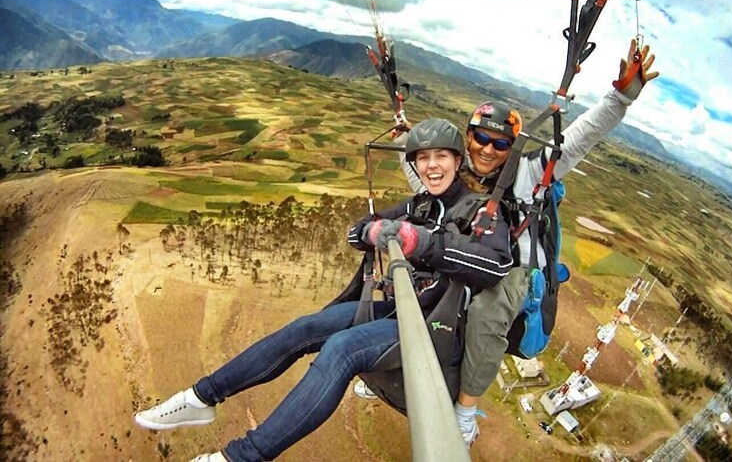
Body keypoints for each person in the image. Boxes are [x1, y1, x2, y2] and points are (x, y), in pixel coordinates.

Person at [133, 118, 513, 462]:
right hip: (401, 310)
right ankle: (201, 397)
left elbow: (495, 265)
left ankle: (242, 458)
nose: (431, 166)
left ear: (457, 159)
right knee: (305, 328)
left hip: (434, 330)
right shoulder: (421, 205)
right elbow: (357, 231)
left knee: (342, 349)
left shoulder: (482, 212)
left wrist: (424, 243)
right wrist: (371, 231)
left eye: (441, 157)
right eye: (423, 157)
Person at [360, 39, 659, 445]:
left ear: (512, 147)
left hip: (514, 266)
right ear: (467, 139)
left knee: (485, 312)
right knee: (411, 280)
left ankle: (465, 413)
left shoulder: (531, 172)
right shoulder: (460, 172)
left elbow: (578, 139)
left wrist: (619, 99)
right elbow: (423, 184)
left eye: (501, 143)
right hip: (473, 251)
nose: (488, 149)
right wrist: (407, 142)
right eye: (481, 139)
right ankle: (390, 363)